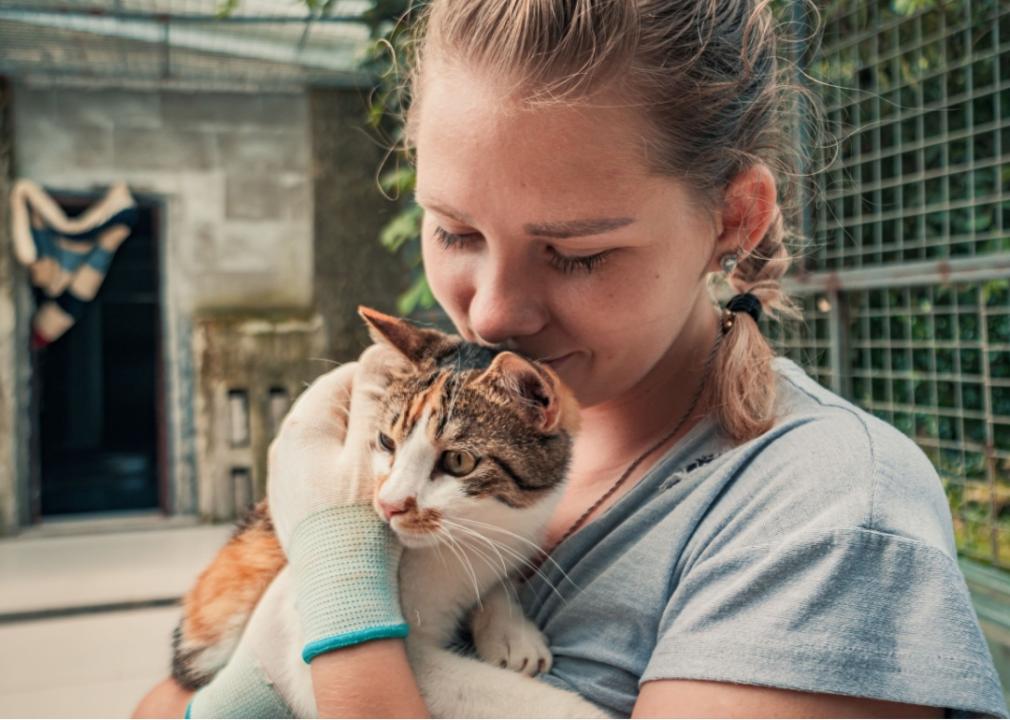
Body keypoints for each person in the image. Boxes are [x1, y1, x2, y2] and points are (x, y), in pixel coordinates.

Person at [134, 0, 1007, 717]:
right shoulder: (431, 416)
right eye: (455, 230)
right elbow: (160, 704)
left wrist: (337, 572)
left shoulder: (824, 518)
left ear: (736, 219)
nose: (493, 308)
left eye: (579, 253)